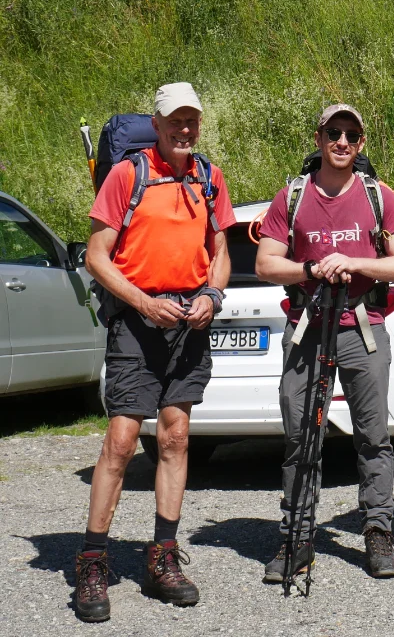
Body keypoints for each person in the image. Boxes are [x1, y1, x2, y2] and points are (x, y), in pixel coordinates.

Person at [75, 82, 236, 622]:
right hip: (137, 322)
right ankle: (92, 561)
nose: (184, 129)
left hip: (189, 321)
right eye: (175, 120)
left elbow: (220, 250)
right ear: (157, 123)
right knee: (121, 441)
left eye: (192, 120)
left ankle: (163, 557)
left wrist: (213, 294)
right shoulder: (128, 175)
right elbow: (98, 256)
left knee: (176, 436)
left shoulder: (209, 178)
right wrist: (144, 303)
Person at [256, 104, 394, 581]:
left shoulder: (378, 196)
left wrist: (355, 262)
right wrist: (310, 269)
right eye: (333, 133)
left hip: (363, 328)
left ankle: (378, 532)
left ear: (361, 142)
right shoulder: (293, 196)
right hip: (307, 328)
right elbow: (265, 263)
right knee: (301, 437)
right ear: (319, 138)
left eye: (351, 134)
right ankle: (297, 538)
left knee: (374, 436)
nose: (342, 142)